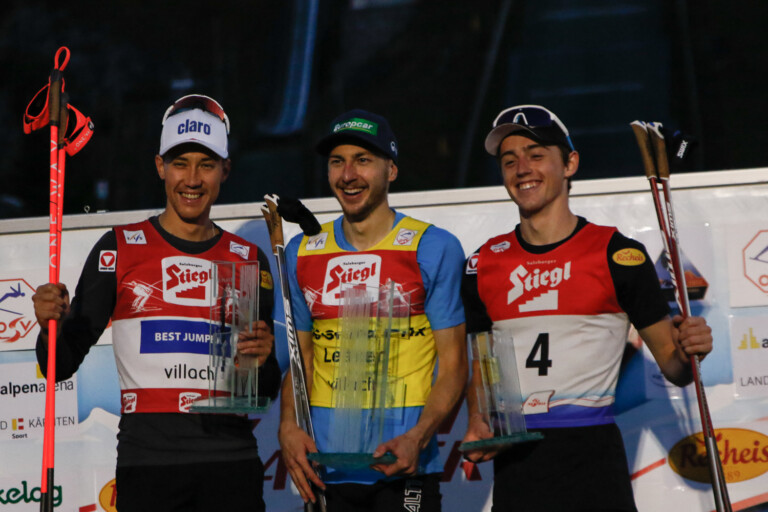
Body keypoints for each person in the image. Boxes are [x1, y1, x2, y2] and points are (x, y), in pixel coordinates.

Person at [32, 94, 281, 512]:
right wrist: (47, 326)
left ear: (225, 170)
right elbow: (60, 363)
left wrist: (263, 361)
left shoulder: (248, 260)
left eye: (206, 165)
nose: (192, 179)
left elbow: (264, 389)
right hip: (150, 467)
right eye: (180, 163)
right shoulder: (119, 248)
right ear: (160, 166)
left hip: (231, 464)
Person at [460, 104, 713, 511]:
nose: (522, 169)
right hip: (517, 471)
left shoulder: (618, 254)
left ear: (570, 164)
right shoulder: (482, 263)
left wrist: (689, 350)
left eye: (536, 155)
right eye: (509, 161)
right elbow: (482, 364)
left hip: (594, 465)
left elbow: (674, 367)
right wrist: (479, 419)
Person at [278, 109, 467, 512]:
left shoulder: (433, 247)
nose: (348, 175)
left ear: (391, 170)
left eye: (362, 160)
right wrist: (288, 426)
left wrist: (418, 436)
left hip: (403, 467)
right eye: (337, 162)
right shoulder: (301, 252)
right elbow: (300, 360)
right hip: (325, 470)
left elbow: (453, 366)